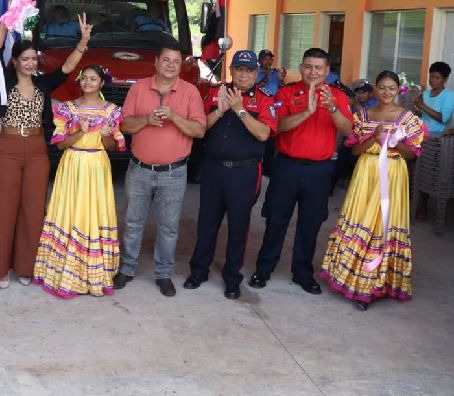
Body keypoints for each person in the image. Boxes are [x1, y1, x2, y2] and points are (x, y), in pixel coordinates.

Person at [0, 15, 91, 288]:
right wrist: (6, 22)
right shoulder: (4, 79)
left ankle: (26, 266)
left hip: (36, 148)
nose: (30, 63)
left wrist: (82, 43)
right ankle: (1, 269)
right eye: (25, 59)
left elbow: (67, 69)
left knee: (33, 210)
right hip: (7, 148)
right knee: (4, 209)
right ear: (15, 61)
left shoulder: (43, 84)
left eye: (34, 58)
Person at [248, 48, 353, 295]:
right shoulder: (286, 92)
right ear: (301, 67)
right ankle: (263, 269)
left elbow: (348, 131)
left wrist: (332, 109)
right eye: (308, 66)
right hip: (287, 167)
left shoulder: (337, 96)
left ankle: (303, 273)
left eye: (318, 68)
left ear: (327, 71)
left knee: (311, 223)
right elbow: (278, 126)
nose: (313, 72)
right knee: (276, 220)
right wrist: (306, 111)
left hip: (320, 170)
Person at [321, 71, 424, 310]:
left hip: (394, 174)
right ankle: (357, 282)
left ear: (399, 90)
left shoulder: (408, 118)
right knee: (363, 221)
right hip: (366, 174)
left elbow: (411, 155)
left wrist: (394, 142)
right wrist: (374, 138)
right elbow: (355, 152)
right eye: (382, 87)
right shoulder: (363, 115)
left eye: (391, 88)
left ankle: (381, 282)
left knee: (385, 225)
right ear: (375, 89)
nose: (387, 92)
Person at [114, 45, 207, 297]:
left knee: (168, 227)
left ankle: (163, 273)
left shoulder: (189, 92)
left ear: (181, 66)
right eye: (165, 60)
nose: (170, 65)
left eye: (175, 61)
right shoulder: (139, 87)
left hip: (174, 173)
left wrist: (174, 116)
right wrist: (146, 120)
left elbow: (199, 130)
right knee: (133, 223)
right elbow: (124, 124)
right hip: (140, 169)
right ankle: (127, 268)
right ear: (155, 62)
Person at [183, 51, 276, 300]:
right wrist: (222, 110)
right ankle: (199, 271)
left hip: (244, 171)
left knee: (239, 226)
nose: (243, 74)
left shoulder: (265, 99)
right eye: (239, 69)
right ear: (231, 71)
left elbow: (264, 134)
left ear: (256, 74)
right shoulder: (215, 93)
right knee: (207, 223)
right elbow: (200, 128)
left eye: (249, 70)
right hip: (213, 169)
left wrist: (240, 110)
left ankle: (232, 278)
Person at [32, 64, 126, 297]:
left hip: (96, 166)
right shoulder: (67, 109)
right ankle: (64, 272)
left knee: (94, 214)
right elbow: (61, 144)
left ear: (102, 83)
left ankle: (93, 274)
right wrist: (82, 131)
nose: (87, 83)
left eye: (93, 79)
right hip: (73, 165)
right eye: (84, 78)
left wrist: (105, 136)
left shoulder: (111, 111)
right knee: (71, 213)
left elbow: (114, 146)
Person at [413, 62, 454, 137]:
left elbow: (443, 119)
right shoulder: (425, 93)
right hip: (419, 132)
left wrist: (422, 106)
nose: (433, 80)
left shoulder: (449, 95)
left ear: (445, 79)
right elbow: (420, 115)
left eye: (437, 78)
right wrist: (416, 108)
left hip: (436, 136)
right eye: (431, 77)